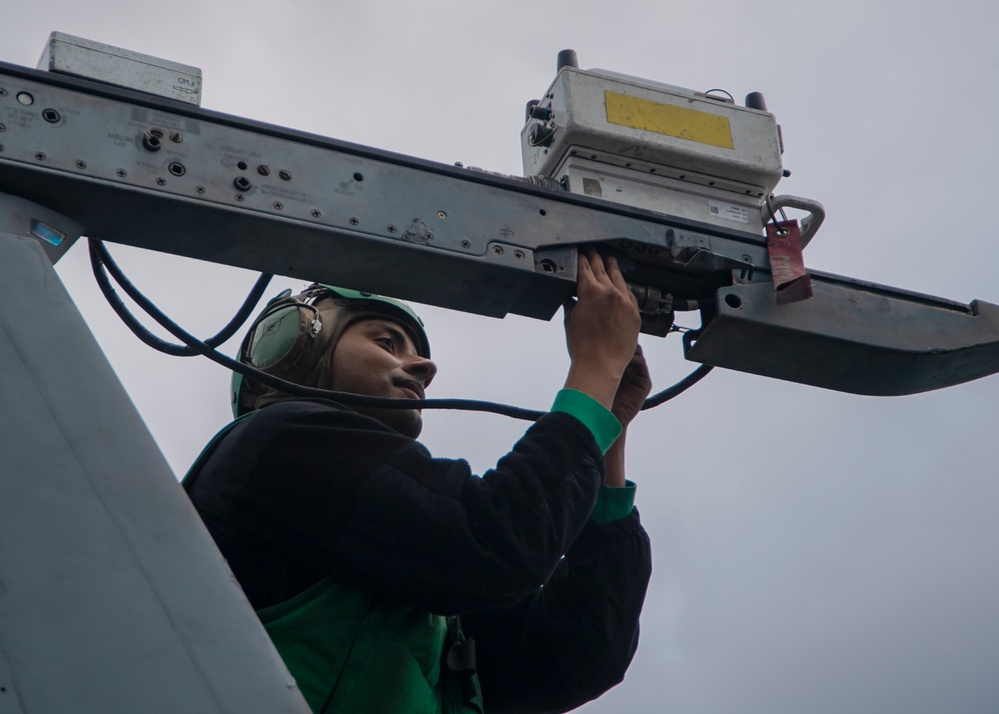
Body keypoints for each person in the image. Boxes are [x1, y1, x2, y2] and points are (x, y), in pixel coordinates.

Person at [184, 252, 653, 713]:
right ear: (297, 348)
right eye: (388, 343)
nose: (425, 368)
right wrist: (592, 369)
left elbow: (579, 656)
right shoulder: (276, 444)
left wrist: (606, 423)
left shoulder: (424, 595)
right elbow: (496, 541)